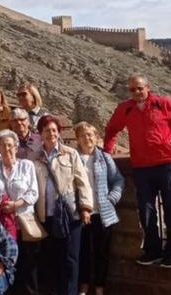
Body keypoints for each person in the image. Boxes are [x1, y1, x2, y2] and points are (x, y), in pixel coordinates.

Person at [103, 74, 171, 268]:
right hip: (141, 167)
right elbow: (112, 129)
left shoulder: (162, 103)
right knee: (146, 211)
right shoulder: (126, 109)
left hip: (168, 164)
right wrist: (106, 153)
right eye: (132, 89)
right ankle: (152, 250)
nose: (136, 92)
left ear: (148, 87)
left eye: (140, 88)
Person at [35, 114, 93, 295]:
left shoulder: (70, 154)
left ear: (59, 133)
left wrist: (85, 208)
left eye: (54, 130)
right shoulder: (35, 158)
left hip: (70, 215)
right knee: (51, 258)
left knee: (70, 258)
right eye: (46, 130)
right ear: (40, 134)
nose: (50, 134)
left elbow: (82, 182)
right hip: (46, 215)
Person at [0, 130, 39, 295]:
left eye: (10, 145)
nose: (7, 148)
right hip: (2, 224)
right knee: (5, 260)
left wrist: (15, 204)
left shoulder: (27, 166)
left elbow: (33, 192)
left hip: (23, 221)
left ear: (16, 147)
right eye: (2, 145)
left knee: (28, 262)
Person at [75, 122, 124, 295]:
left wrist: (111, 199)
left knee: (102, 253)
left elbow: (118, 180)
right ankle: (83, 287)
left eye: (90, 135)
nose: (87, 138)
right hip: (81, 214)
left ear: (96, 138)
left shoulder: (104, 158)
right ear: (77, 139)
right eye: (83, 135)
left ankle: (100, 289)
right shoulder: (74, 158)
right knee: (83, 253)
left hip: (104, 215)